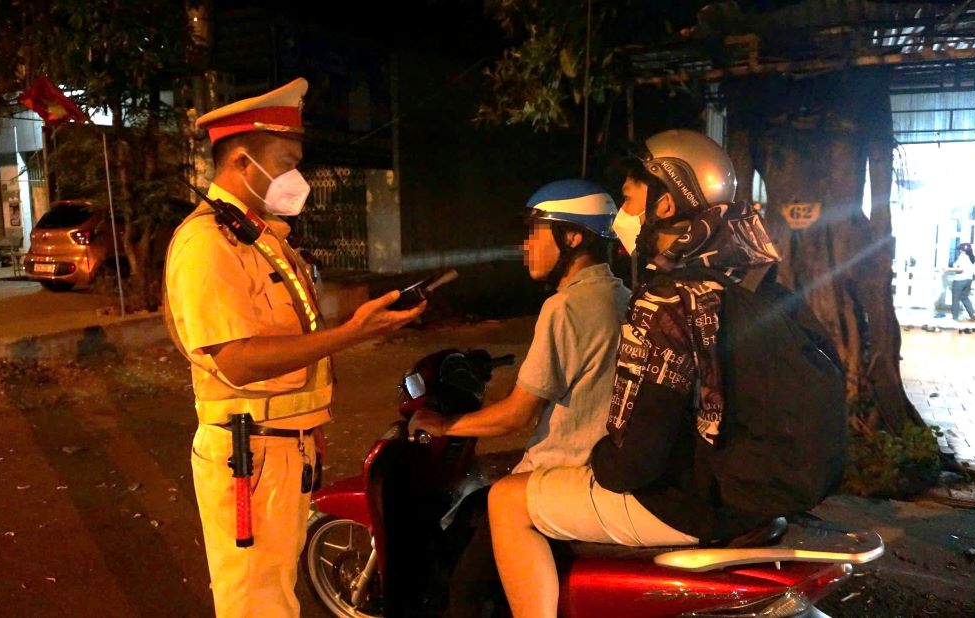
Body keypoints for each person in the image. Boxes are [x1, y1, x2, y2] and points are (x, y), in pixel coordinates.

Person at [486, 130, 780, 618]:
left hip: (692, 497)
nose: (621, 214)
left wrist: (598, 457)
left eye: (630, 198)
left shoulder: (667, 298)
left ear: (666, 205)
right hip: (743, 486)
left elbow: (636, 460)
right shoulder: (745, 276)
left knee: (506, 500)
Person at [165, 77, 425, 618]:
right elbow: (235, 361)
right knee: (257, 604)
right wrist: (353, 333)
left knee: (276, 594)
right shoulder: (206, 245)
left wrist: (311, 431)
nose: (296, 178)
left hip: (283, 449)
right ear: (241, 163)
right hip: (249, 457)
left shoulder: (261, 239)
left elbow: (292, 350)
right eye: (286, 162)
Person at [407, 179, 629, 617]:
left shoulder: (565, 308)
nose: (525, 244)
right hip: (600, 466)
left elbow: (517, 414)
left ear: (572, 236)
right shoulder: (619, 295)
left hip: (560, 473)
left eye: (534, 231)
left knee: (466, 591)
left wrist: (444, 425)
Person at [947, 242, 975, 321]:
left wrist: (948, 269)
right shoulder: (971, 257)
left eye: (960, 249)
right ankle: (972, 313)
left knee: (955, 299)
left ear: (962, 250)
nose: (959, 250)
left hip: (960, 280)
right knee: (964, 297)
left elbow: (960, 269)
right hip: (968, 280)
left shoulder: (962, 257)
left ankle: (955, 317)